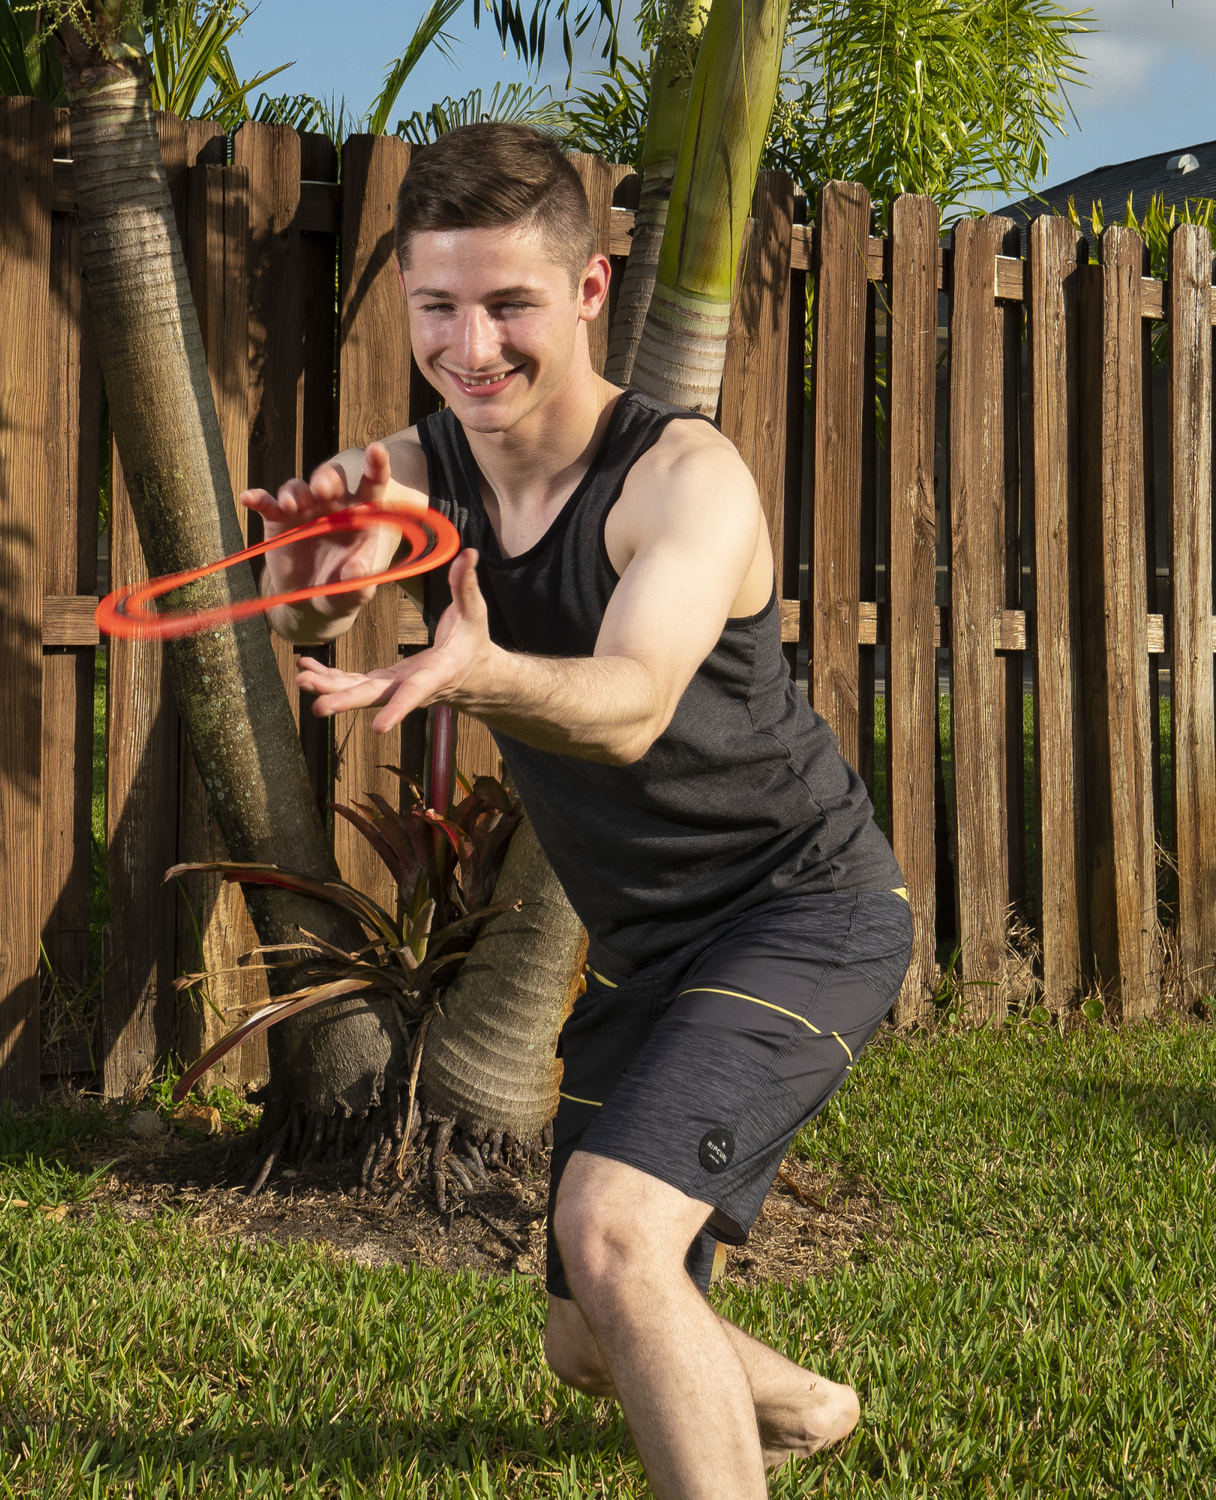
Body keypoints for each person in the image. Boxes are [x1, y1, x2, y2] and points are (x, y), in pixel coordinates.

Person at [239, 122, 912, 1500]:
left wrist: (480, 671)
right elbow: (338, 564)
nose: (470, 346)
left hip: (800, 913)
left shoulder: (681, 483)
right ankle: (805, 1406)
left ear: (591, 292)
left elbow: (628, 702)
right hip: (647, 948)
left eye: (509, 305)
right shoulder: (429, 460)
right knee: (587, 1342)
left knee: (614, 1238)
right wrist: (317, 564)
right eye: (438, 307)